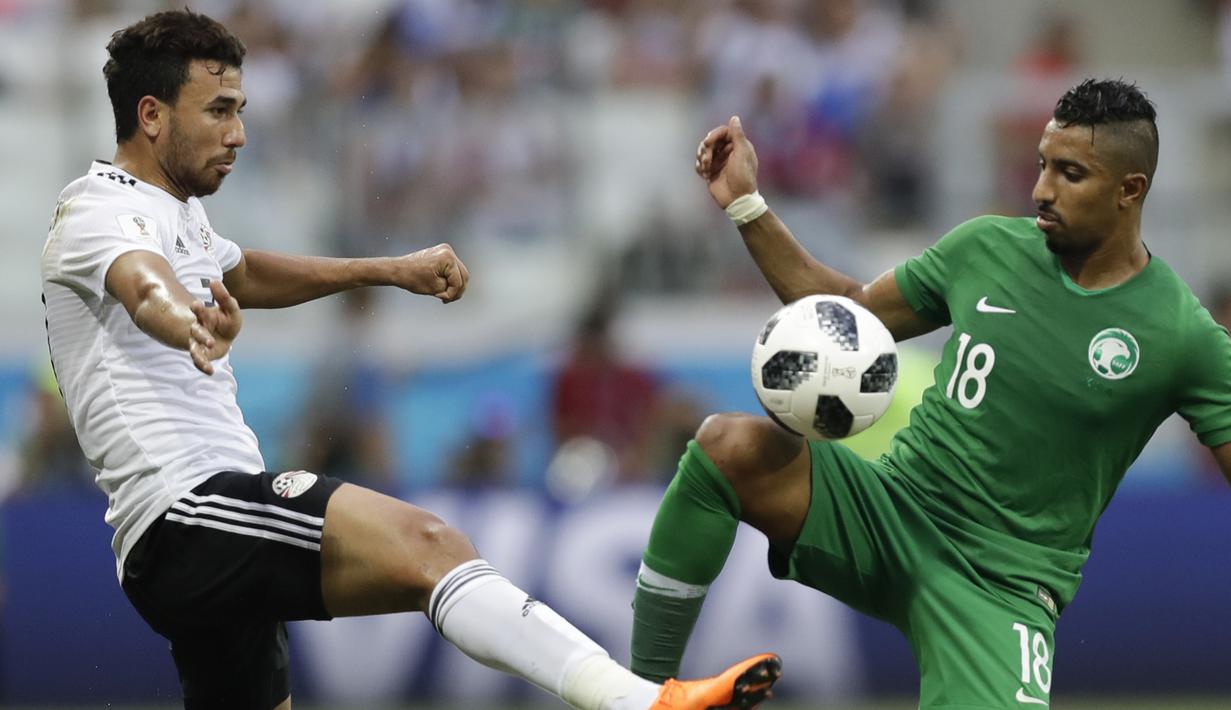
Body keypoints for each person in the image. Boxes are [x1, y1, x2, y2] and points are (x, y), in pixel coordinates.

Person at [39, 10, 781, 710]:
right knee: (430, 545)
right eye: (219, 110)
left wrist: (388, 269)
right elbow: (145, 285)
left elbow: (240, 273)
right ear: (150, 115)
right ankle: (640, 699)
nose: (238, 133)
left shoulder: (179, 213)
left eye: (240, 110)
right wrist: (187, 323)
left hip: (201, 533)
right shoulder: (101, 210)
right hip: (191, 515)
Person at [629, 78, 1231, 709]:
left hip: (1003, 584)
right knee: (729, 445)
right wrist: (746, 203)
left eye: (1070, 174)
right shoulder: (987, 246)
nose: (1041, 190)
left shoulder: (1181, 333)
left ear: (1129, 190)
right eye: (1042, 165)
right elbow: (853, 313)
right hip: (891, 510)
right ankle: (640, 694)